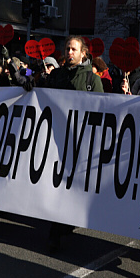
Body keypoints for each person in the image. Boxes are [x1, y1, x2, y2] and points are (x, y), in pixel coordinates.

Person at [41, 36, 103, 252]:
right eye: (67, 48)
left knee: (72, 185)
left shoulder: (92, 80)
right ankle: (54, 232)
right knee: (57, 183)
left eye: (74, 49)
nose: (69, 53)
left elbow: (102, 110)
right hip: (56, 137)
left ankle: (66, 222)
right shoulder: (56, 74)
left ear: (83, 53)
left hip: (80, 141)